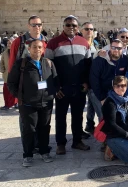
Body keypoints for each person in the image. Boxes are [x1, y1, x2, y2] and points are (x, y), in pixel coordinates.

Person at [8, 39, 59, 167]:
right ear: (29, 48)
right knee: (29, 129)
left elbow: (55, 80)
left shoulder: (48, 63)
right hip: (28, 104)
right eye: (35, 47)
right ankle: (28, 154)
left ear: (43, 50)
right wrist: (21, 97)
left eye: (40, 47)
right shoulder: (22, 64)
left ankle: (44, 151)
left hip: (46, 103)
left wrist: (52, 94)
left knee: (44, 127)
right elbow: (11, 82)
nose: (37, 50)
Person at [45, 15, 92, 154]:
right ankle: (61, 144)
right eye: (68, 25)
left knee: (78, 116)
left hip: (79, 87)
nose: (71, 28)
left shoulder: (84, 43)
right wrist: (54, 87)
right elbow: (48, 67)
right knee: (60, 116)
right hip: (62, 88)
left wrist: (87, 82)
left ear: (78, 28)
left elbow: (88, 65)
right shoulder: (53, 43)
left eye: (74, 25)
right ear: (63, 26)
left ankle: (77, 141)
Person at [87, 39, 128, 135]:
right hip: (99, 90)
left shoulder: (125, 60)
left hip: (115, 91)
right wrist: (102, 98)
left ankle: (115, 136)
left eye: (119, 48)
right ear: (110, 47)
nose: (116, 50)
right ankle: (105, 140)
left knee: (115, 115)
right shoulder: (100, 60)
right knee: (103, 116)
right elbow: (94, 80)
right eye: (114, 47)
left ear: (123, 48)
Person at [0, 36, 18, 110]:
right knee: (6, 90)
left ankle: (15, 103)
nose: (9, 45)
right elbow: (1, 63)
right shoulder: (4, 53)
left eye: (10, 43)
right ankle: (7, 104)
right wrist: (2, 70)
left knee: (15, 89)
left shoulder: (17, 51)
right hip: (7, 74)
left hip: (15, 74)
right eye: (8, 43)